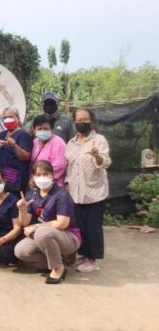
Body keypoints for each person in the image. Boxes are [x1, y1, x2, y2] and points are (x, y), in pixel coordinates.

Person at [14, 160, 82, 284]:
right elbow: (24, 222)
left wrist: (37, 226)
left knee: (42, 232)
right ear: (33, 177)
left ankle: (58, 268)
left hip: (69, 237)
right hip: (46, 234)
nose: (42, 178)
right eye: (38, 175)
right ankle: (58, 262)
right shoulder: (32, 194)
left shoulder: (61, 194)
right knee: (21, 251)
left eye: (46, 174)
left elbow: (62, 223)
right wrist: (22, 210)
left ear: (52, 175)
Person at [65, 107, 111, 273]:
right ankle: (83, 255)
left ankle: (92, 260)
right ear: (74, 122)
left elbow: (105, 163)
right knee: (80, 226)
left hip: (94, 191)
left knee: (93, 227)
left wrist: (96, 155)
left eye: (85, 119)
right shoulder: (71, 143)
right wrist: (66, 184)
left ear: (91, 121)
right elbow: (69, 166)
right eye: (79, 120)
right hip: (75, 192)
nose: (82, 122)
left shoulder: (99, 140)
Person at [0, 107, 33, 195]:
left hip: (16, 180)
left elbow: (26, 157)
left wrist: (14, 146)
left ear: (17, 118)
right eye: (5, 117)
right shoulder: (2, 134)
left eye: (10, 117)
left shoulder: (23, 135)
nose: (7, 119)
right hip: (2, 177)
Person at [31, 114, 67, 186]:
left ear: (52, 129)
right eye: (39, 129)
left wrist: (41, 177)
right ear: (34, 130)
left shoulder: (58, 143)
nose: (42, 131)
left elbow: (59, 166)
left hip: (52, 184)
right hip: (35, 182)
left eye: (46, 129)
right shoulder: (35, 142)